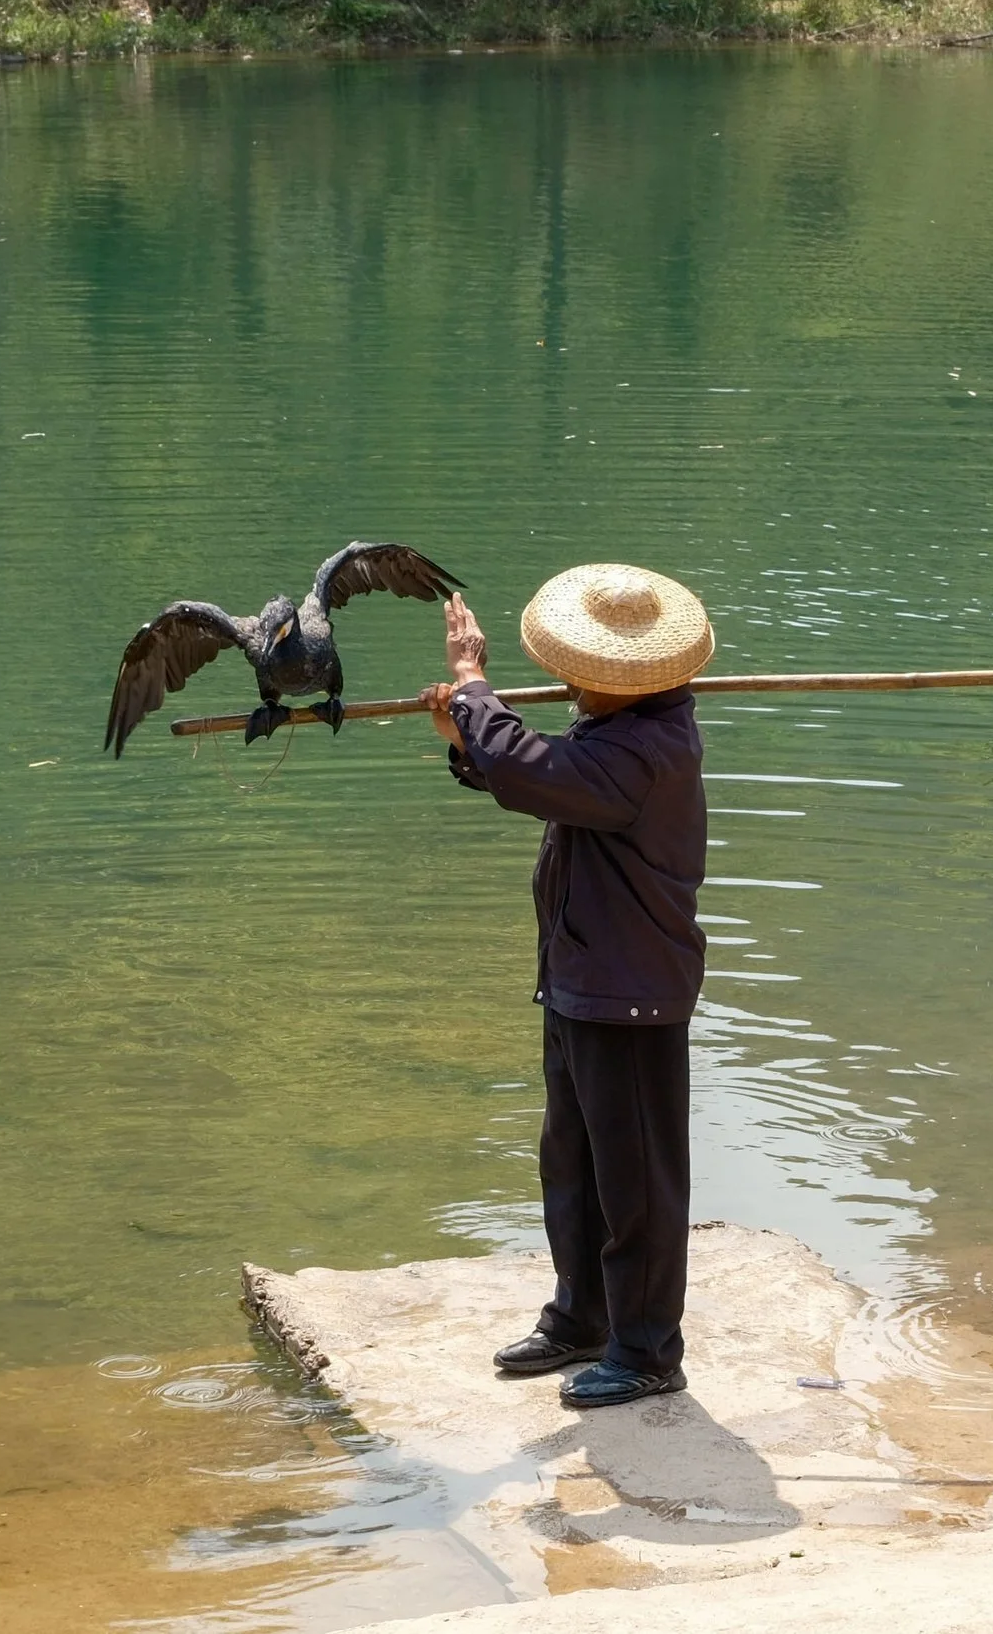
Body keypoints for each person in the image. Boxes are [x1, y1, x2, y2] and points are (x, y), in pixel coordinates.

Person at [417, 565, 711, 1409]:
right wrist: (463, 736)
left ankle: (648, 1349)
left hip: (631, 989)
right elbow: (538, 773)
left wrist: (475, 685)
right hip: (583, 975)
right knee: (573, 1162)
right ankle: (582, 1316)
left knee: (638, 1180)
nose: (570, 683)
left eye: (582, 672)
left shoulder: (648, 749)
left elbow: (541, 770)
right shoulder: (615, 735)